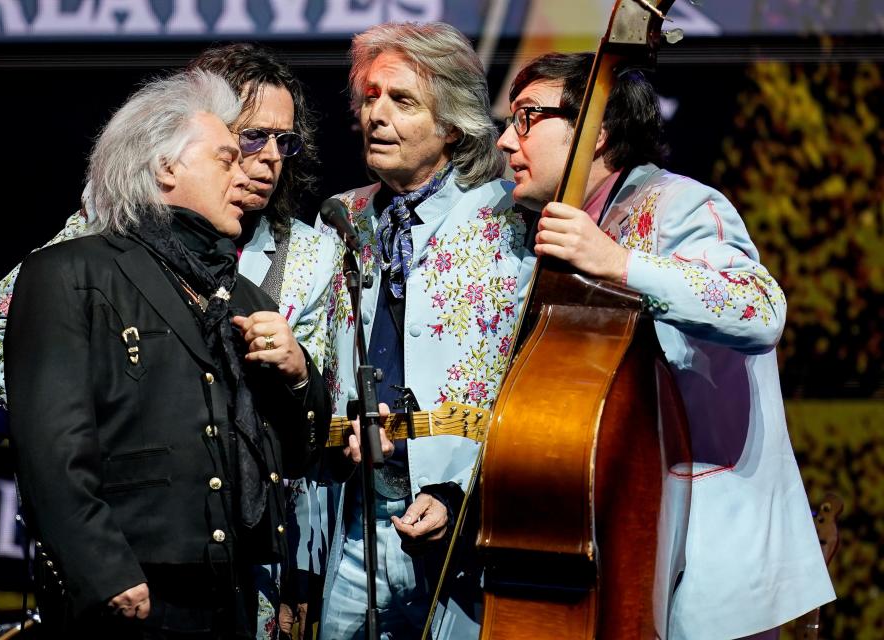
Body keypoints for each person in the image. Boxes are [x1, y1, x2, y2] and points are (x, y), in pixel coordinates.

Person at [0, 43, 339, 639]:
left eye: (282, 144)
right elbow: (52, 438)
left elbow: (295, 447)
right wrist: (98, 552)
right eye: (238, 146)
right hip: (130, 568)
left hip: (234, 576)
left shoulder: (245, 290)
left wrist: (296, 373)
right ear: (167, 165)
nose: (257, 165)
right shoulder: (78, 261)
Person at [496, 51, 834, 639]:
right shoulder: (559, 228)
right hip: (628, 541)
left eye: (526, 117)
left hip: (713, 553)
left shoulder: (682, 203)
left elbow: (759, 309)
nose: (505, 139)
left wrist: (618, 262)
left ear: (596, 131)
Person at [316, 22, 535, 639]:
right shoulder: (343, 216)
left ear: (455, 123)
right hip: (358, 516)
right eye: (370, 97)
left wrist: (467, 494)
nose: (376, 115)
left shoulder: (509, 219)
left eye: (402, 100)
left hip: (463, 521)